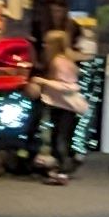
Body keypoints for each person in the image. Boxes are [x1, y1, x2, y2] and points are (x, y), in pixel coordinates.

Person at [25, 30, 86, 182]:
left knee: (59, 138)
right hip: (61, 106)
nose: (45, 46)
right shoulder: (62, 60)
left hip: (65, 107)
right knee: (58, 137)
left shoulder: (59, 63)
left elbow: (68, 86)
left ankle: (62, 171)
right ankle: (65, 164)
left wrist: (42, 82)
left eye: (48, 43)